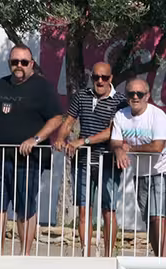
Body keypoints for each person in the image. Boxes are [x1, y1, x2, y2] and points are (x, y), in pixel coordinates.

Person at [0, 44, 63, 256]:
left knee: (25, 207)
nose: (19, 65)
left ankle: (25, 255)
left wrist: (35, 139)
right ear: (9, 63)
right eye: (15, 62)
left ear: (32, 64)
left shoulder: (43, 87)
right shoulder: (0, 85)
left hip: (29, 160)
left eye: (24, 62)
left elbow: (57, 118)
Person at [54, 62, 128, 257]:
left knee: (108, 210)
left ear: (111, 78)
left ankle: (108, 257)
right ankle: (86, 256)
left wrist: (83, 141)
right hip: (83, 161)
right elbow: (69, 120)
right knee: (84, 210)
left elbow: (112, 131)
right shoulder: (82, 96)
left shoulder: (120, 101)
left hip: (108, 162)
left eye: (104, 77)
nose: (100, 81)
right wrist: (60, 138)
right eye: (96, 77)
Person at [111, 78, 166, 257]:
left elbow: (158, 146)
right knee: (149, 219)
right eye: (131, 93)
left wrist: (130, 148)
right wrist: (119, 150)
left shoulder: (157, 116)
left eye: (139, 94)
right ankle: (158, 259)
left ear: (147, 96)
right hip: (140, 174)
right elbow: (115, 141)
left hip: (160, 171)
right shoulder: (121, 115)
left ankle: (163, 261)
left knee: (158, 217)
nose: (135, 97)